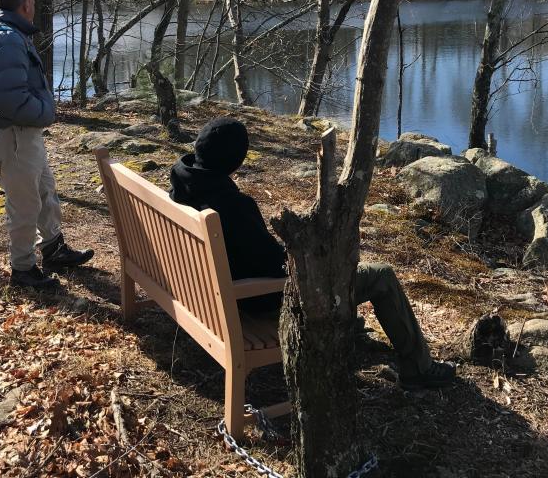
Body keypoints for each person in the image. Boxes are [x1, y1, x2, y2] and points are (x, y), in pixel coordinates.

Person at [169, 116, 456, 389]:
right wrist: (312, 256)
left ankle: (349, 325)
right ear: (235, 160)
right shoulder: (233, 207)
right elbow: (279, 268)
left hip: (207, 293)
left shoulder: (183, 187)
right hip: (256, 301)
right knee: (381, 275)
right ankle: (418, 368)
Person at [0, 0, 94, 290]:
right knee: (25, 204)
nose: (35, 5)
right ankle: (24, 270)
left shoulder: (6, 33)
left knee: (44, 191)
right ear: (26, 3)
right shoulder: (5, 39)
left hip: (23, 135)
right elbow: (4, 95)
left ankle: (53, 249)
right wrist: (43, 112)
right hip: (14, 136)